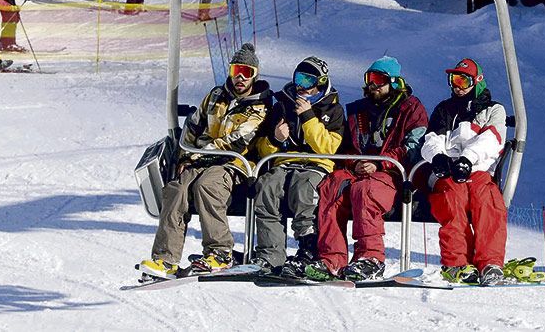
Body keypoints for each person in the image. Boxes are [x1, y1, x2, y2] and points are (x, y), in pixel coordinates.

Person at [140, 43, 272, 277]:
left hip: (233, 163)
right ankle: (165, 259)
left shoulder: (260, 105)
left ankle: (220, 252)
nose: (240, 77)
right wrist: (185, 155)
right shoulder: (215, 96)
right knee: (176, 190)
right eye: (236, 70)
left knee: (208, 186)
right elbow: (192, 126)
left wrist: (200, 152)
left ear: (255, 75)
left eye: (247, 72)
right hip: (198, 159)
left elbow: (239, 140)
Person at [305, 56, 429, 282]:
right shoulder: (357, 111)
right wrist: (356, 162)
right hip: (358, 170)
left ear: (393, 82)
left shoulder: (411, 109)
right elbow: (347, 146)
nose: (373, 84)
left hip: (393, 174)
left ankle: (370, 257)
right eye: (369, 78)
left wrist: (380, 163)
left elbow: (412, 146)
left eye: (379, 79)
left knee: (365, 190)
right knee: (331, 186)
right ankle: (331, 258)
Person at [250, 57, 345, 275]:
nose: (300, 85)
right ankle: (270, 254)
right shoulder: (283, 105)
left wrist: (309, 116)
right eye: (298, 78)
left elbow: (328, 147)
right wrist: (275, 138)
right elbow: (263, 149)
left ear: (320, 82)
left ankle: (308, 250)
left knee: (305, 190)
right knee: (267, 187)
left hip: (316, 164)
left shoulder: (333, 108)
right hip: (285, 162)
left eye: (306, 80)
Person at [421, 58, 508, 286]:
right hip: (448, 172)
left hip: (478, 169)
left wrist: (468, 159)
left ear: (476, 81)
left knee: (486, 199)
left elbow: (493, 139)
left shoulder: (493, 110)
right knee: (453, 199)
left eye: (462, 80)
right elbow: (431, 139)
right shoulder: (444, 110)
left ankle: (490, 263)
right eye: (453, 80)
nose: (457, 86)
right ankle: (457, 263)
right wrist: (438, 157)